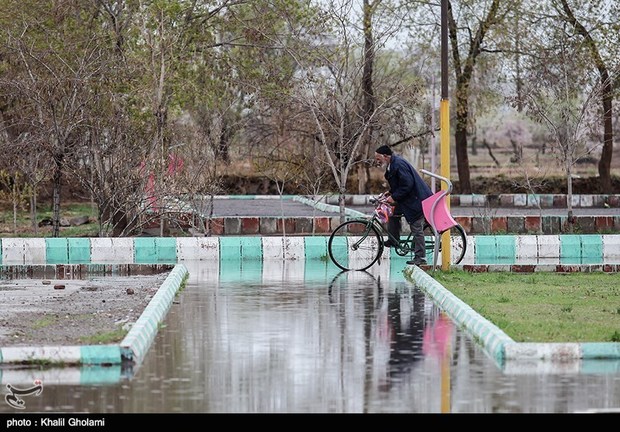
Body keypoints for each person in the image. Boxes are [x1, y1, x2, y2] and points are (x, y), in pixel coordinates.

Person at [374, 145, 432, 266]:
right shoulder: (392, 165)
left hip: (417, 200)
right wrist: (390, 192)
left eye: (378, 158)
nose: (377, 161)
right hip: (408, 199)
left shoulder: (398, 164)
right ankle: (394, 240)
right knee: (393, 213)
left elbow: (407, 184)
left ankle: (421, 257)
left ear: (386, 156)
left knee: (416, 227)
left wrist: (394, 197)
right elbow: (399, 183)